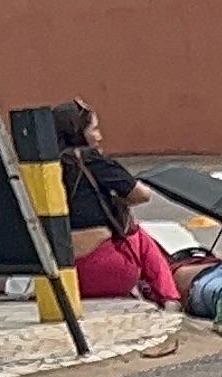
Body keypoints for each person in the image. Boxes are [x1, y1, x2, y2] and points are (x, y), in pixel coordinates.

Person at [55, 102, 184, 308]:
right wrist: (118, 199)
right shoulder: (88, 159)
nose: (99, 136)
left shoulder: (43, 166)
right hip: (108, 273)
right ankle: (169, 297)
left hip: (61, 277)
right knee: (137, 234)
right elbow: (142, 195)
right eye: (94, 129)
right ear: (79, 133)